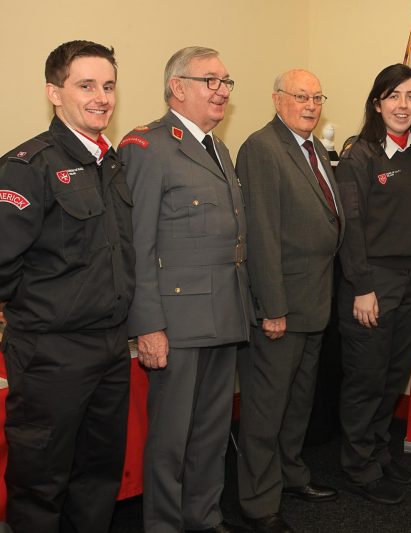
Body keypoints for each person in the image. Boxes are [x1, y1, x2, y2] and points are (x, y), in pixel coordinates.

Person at [0, 40, 135, 532]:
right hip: (51, 354)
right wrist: (38, 311)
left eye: (108, 85)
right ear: (54, 93)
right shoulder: (28, 165)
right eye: (86, 85)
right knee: (41, 481)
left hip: (110, 346)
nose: (101, 97)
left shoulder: (112, 163)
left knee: (98, 475)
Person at [118, 46, 251, 533]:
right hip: (177, 324)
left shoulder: (219, 148)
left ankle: (204, 519)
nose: (221, 90)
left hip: (224, 316)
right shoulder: (148, 147)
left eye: (226, 82)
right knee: (172, 442)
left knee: (212, 437)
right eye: (210, 81)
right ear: (177, 87)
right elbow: (137, 244)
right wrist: (148, 325)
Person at [236, 69, 343, 533]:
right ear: (277, 99)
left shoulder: (315, 147)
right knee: (266, 408)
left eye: (317, 96)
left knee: (298, 403)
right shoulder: (262, 148)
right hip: (281, 308)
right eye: (302, 96)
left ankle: (291, 475)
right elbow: (260, 236)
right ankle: (259, 503)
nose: (312, 104)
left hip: (315, 301)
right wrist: (272, 308)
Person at [335, 64, 411, 505]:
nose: (402, 105)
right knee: (366, 379)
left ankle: (378, 451)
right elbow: (349, 225)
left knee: (393, 376)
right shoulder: (361, 156)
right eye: (393, 96)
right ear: (378, 103)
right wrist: (361, 286)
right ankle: (358, 468)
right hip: (372, 281)